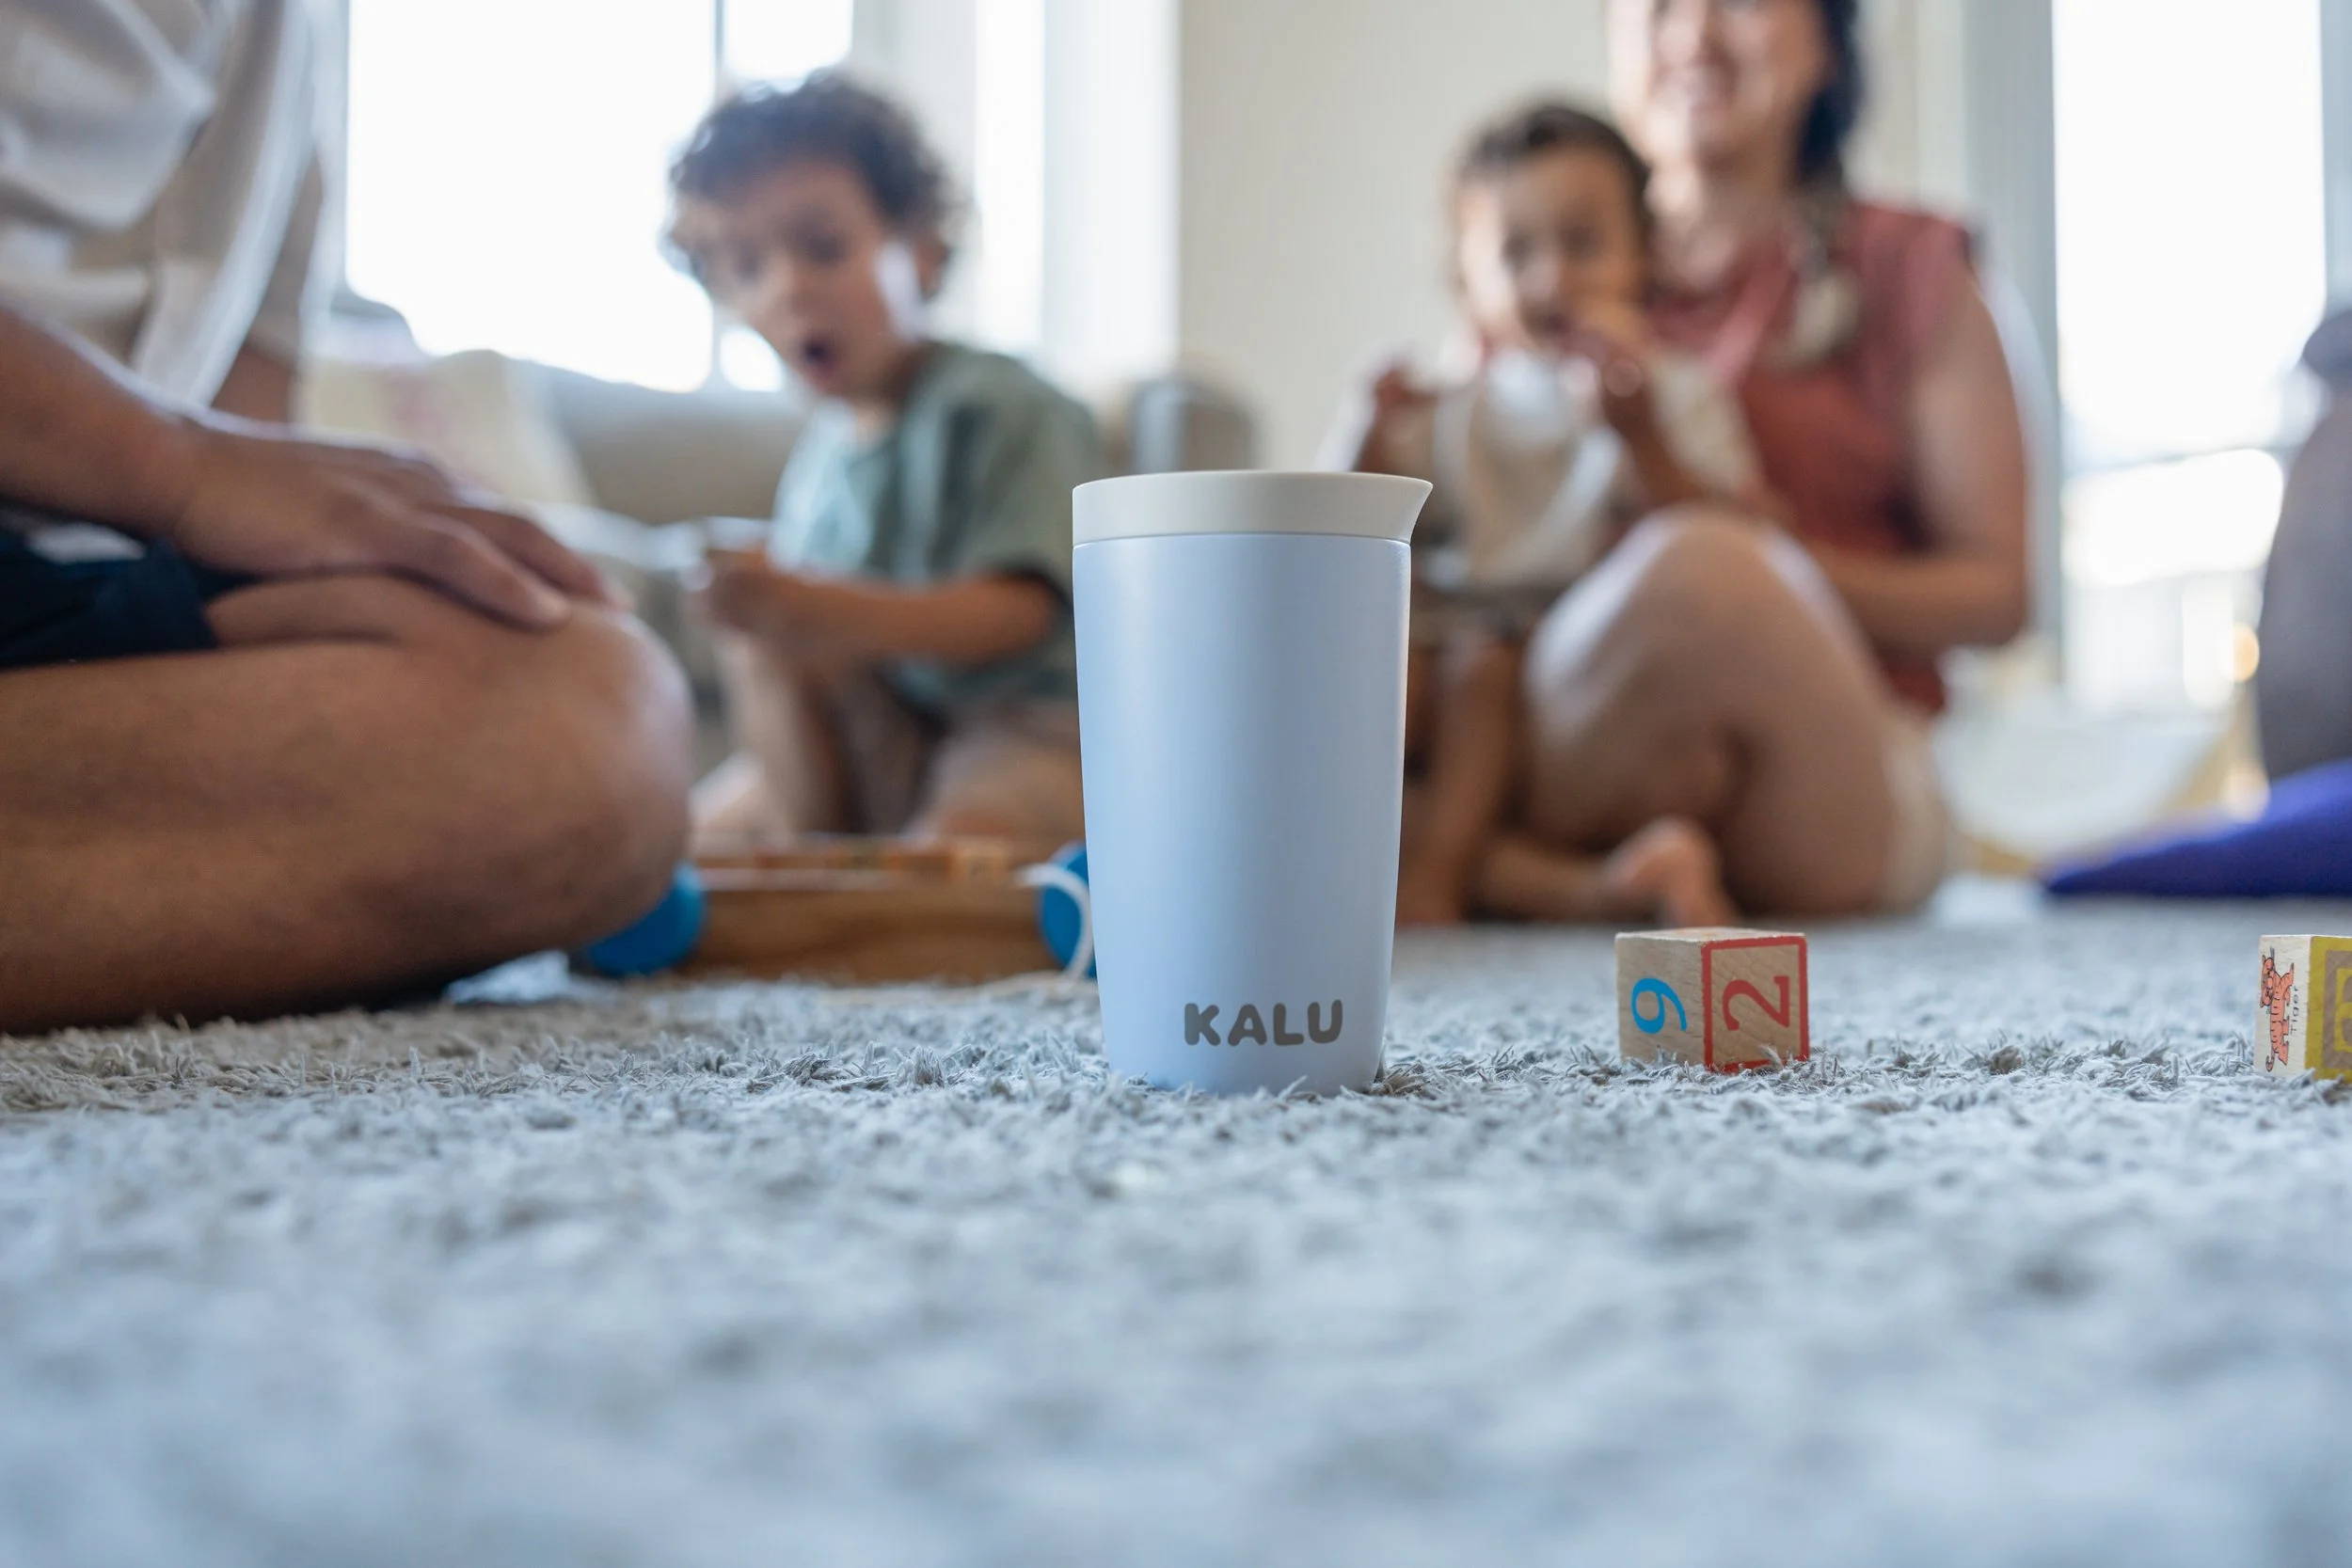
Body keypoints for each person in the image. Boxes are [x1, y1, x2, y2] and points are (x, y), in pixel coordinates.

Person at [1418, 0, 2029, 923]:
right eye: (1659, 7)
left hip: (1836, 765)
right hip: (1542, 719)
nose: (1692, 35)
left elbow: (1996, 593)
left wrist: (1760, 570)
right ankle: (1583, 879)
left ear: (1828, 41)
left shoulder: (1909, 267)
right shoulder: (1543, 278)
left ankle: (1449, 850)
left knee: (1701, 572)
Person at [0, 302, 692, 1034]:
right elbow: (210, 459)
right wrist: (175, 459)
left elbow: (251, 408)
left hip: (96, 577)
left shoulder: (286, 182)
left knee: (583, 723)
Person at [1340, 102, 1765, 925]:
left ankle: (1430, 884)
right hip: (1453, 636)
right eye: (1516, 251)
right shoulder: (1453, 403)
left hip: (1573, 653)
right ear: (1467, 275)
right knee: (1383, 689)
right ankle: (1608, 890)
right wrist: (1367, 429)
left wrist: (1641, 438)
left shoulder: (1673, 392)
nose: (1551, 278)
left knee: (1479, 670)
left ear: (1644, 256)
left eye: (1582, 244)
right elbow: (1343, 536)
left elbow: (1731, 544)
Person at [668, 73, 1099, 849]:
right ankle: (818, 871)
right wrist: (772, 610)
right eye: (746, 268)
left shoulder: (999, 403)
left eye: (824, 247)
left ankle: (852, 893)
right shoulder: (822, 459)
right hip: (893, 740)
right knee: (667, 851)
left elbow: (1021, 612)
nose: (790, 288)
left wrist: (818, 607)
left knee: (962, 857)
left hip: (1031, 726)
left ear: (922, 252)